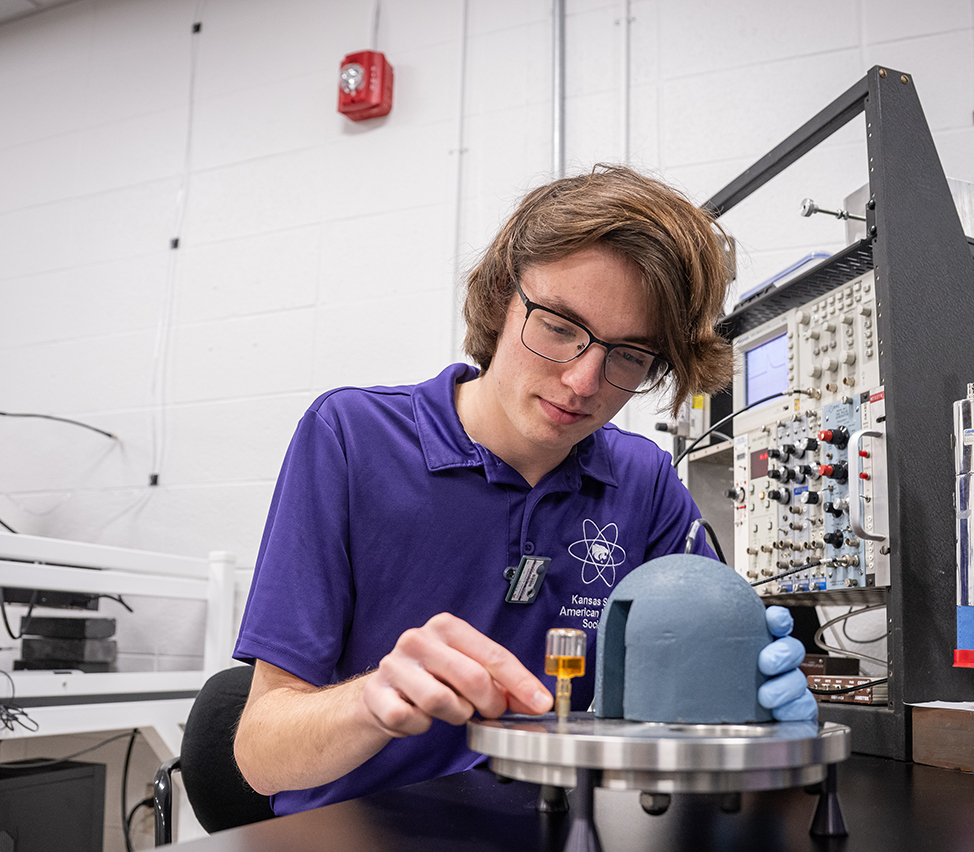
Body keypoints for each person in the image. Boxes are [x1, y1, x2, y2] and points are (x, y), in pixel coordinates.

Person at [232, 165, 816, 814]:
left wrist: (756, 714)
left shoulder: (643, 482)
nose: (584, 381)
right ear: (498, 301)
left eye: (628, 354)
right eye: (561, 327)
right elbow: (260, 755)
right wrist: (371, 702)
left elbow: (700, 695)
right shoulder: (351, 438)